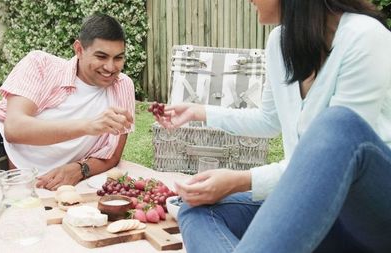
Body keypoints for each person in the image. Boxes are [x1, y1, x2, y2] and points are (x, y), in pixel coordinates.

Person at [156, 0, 391, 252]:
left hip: (369, 213)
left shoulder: (365, 36)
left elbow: (330, 159)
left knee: (336, 124)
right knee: (195, 212)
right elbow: (268, 120)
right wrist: (199, 111)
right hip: (311, 207)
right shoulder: (279, 42)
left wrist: (243, 180)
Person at [0, 13, 135, 227]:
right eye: (101, 56)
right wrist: (88, 125)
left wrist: (81, 169)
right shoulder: (42, 64)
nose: (110, 67)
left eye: (118, 58)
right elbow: (15, 129)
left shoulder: (122, 87)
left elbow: (113, 154)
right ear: (79, 49)